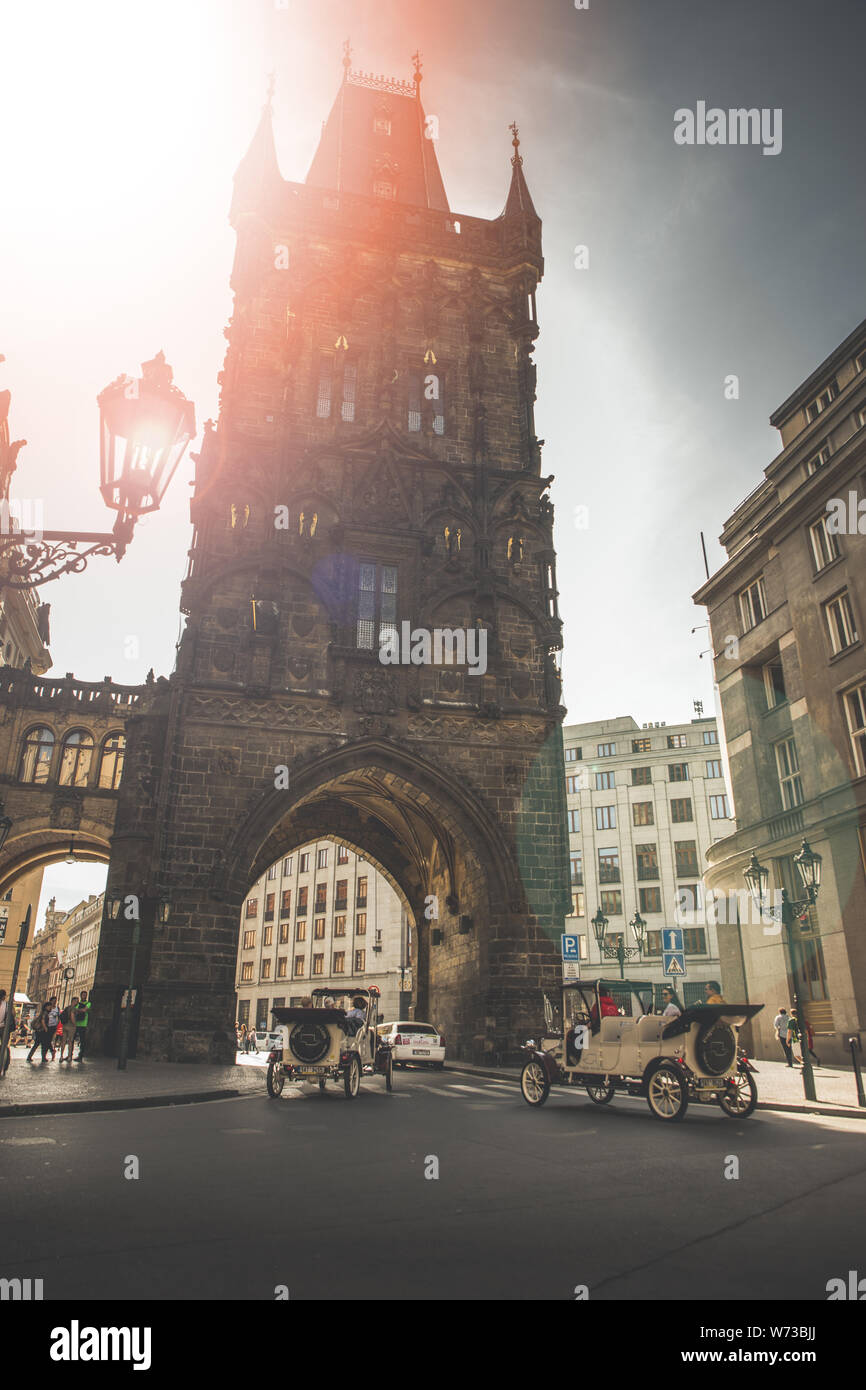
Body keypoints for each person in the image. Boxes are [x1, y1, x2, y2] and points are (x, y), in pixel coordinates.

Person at [59, 997, 80, 1062]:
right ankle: (69, 1056)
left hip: (65, 1025)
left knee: (63, 1041)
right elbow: (72, 1016)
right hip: (71, 1026)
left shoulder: (67, 1008)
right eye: (77, 1001)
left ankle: (61, 1056)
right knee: (70, 1042)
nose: (77, 1002)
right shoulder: (74, 1009)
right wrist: (75, 1024)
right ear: (73, 1001)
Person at [72, 990, 91, 1061]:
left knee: (82, 1041)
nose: (84, 996)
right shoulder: (78, 1004)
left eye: (85, 995)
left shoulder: (88, 1003)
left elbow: (84, 1010)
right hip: (76, 1024)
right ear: (81, 996)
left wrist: (77, 1010)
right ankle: (70, 1054)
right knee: (72, 1040)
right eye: (83, 995)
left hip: (84, 1024)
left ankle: (80, 1056)